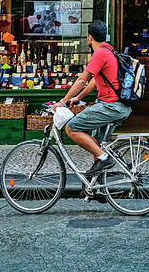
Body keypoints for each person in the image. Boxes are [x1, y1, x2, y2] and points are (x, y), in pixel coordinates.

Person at [53, 20, 130, 178]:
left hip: (110, 106)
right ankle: (97, 186)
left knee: (71, 128)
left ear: (89, 38)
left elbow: (82, 80)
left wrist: (63, 101)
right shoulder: (109, 50)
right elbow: (94, 82)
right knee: (95, 143)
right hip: (117, 106)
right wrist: (78, 97)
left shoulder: (100, 53)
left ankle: (105, 158)